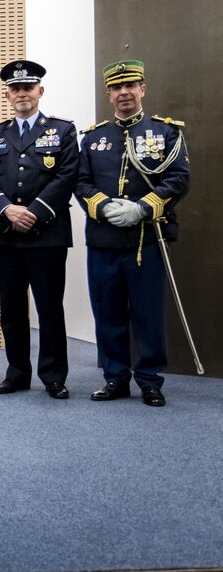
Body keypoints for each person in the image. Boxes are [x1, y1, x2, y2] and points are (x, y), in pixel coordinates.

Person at [76, 60, 189, 407]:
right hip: (103, 239)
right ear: (109, 94)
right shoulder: (93, 138)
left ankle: (150, 381)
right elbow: (81, 181)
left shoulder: (165, 132)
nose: (124, 92)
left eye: (130, 85)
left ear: (143, 89)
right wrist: (103, 206)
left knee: (147, 314)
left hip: (146, 239)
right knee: (107, 313)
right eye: (116, 87)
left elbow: (179, 178)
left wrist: (142, 207)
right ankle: (115, 378)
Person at [0, 60, 78, 399]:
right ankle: (17, 373)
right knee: (11, 310)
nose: (22, 93)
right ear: (7, 95)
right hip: (5, 234)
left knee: (49, 308)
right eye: (15, 89)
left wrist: (33, 212)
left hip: (46, 233)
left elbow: (67, 175)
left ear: (40, 91)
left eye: (28, 88)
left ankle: (53, 376)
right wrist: (7, 209)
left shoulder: (62, 130)